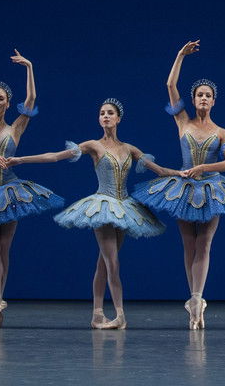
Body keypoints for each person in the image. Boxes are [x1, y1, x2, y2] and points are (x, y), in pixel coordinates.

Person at [130, 40, 225, 329]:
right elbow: (169, 86)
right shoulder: (183, 122)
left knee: (204, 244)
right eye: (199, 94)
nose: (203, 98)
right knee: (188, 245)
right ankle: (194, 302)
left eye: (208, 95)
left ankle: (198, 298)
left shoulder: (221, 131)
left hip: (213, 188)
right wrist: (179, 55)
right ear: (194, 99)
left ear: (214, 101)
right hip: (183, 189)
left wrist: (203, 167)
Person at [15, 98, 170, 329]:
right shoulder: (93, 146)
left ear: (118, 118)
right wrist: (20, 159)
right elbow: (56, 156)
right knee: (112, 262)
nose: (105, 116)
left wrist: (184, 173)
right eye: (102, 113)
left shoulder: (130, 149)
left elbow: (159, 170)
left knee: (103, 264)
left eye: (110, 113)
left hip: (125, 207)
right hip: (103, 207)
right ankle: (120, 315)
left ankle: (97, 314)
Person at [0, 51, 63, 328]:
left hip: (11, 192)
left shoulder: (15, 128)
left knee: (5, 248)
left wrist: (30, 66)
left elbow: (31, 101)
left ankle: (0, 298)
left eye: (1, 98)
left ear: (8, 104)